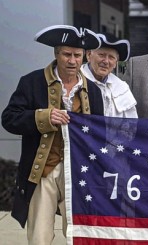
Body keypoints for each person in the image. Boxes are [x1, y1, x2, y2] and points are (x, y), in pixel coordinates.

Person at [1, 25, 104, 244]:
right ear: (56, 53)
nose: (72, 61)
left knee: (80, 233)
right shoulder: (31, 82)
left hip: (78, 172)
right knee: (40, 235)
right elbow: (9, 118)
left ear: (85, 57)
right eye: (67, 54)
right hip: (43, 170)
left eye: (77, 56)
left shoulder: (93, 91)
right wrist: (44, 118)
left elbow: (99, 132)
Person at [81, 33, 138, 118]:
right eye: (101, 55)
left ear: (115, 63)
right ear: (89, 55)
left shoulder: (122, 87)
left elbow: (131, 124)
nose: (106, 61)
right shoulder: (75, 81)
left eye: (111, 57)